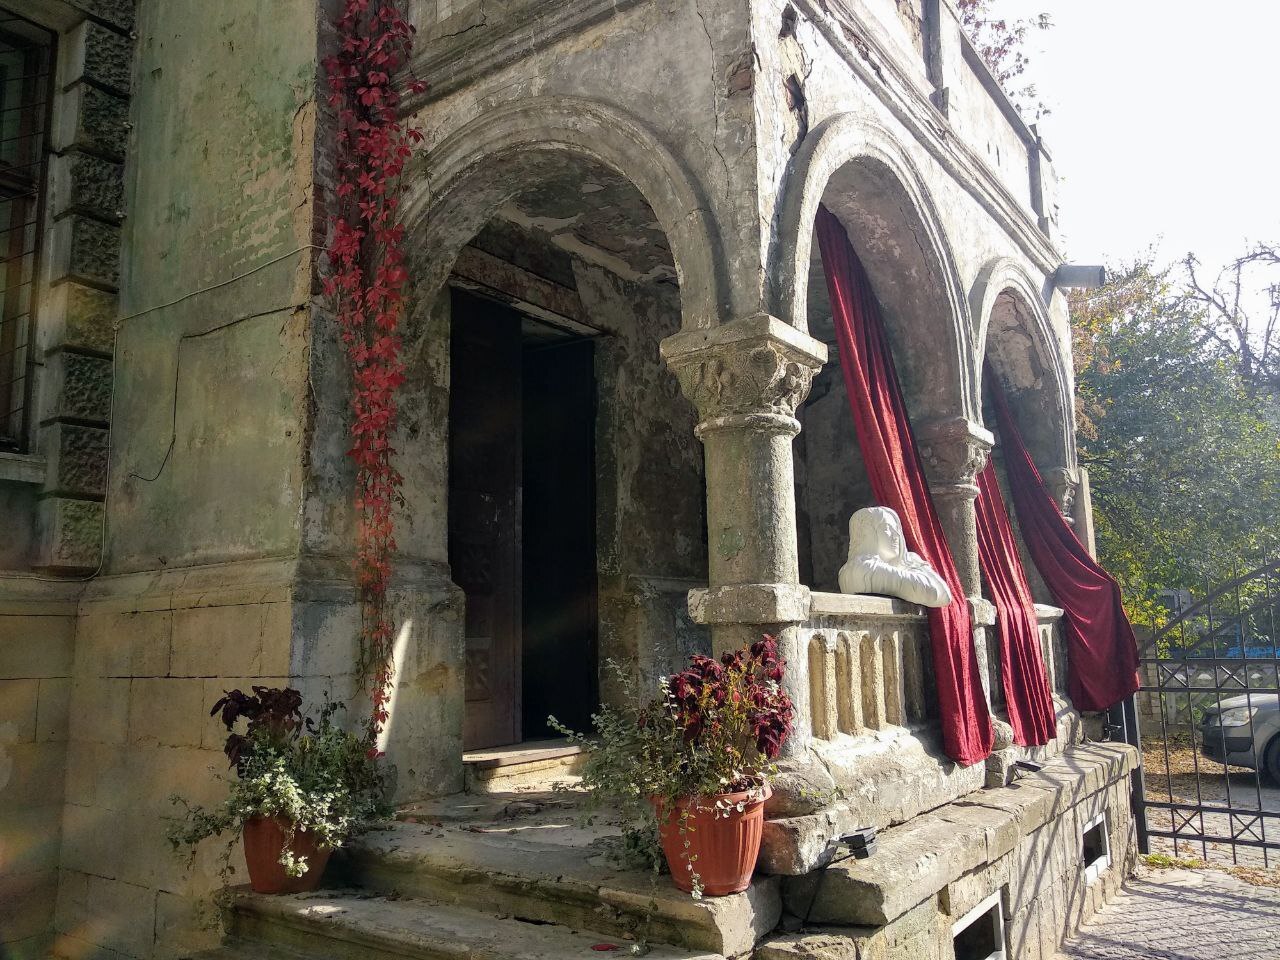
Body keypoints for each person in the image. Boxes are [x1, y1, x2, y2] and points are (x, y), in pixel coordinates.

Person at [838, 506, 952, 608]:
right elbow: (937, 594)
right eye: (887, 528)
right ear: (869, 533)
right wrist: (915, 565)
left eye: (896, 530)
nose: (896, 536)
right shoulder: (865, 568)